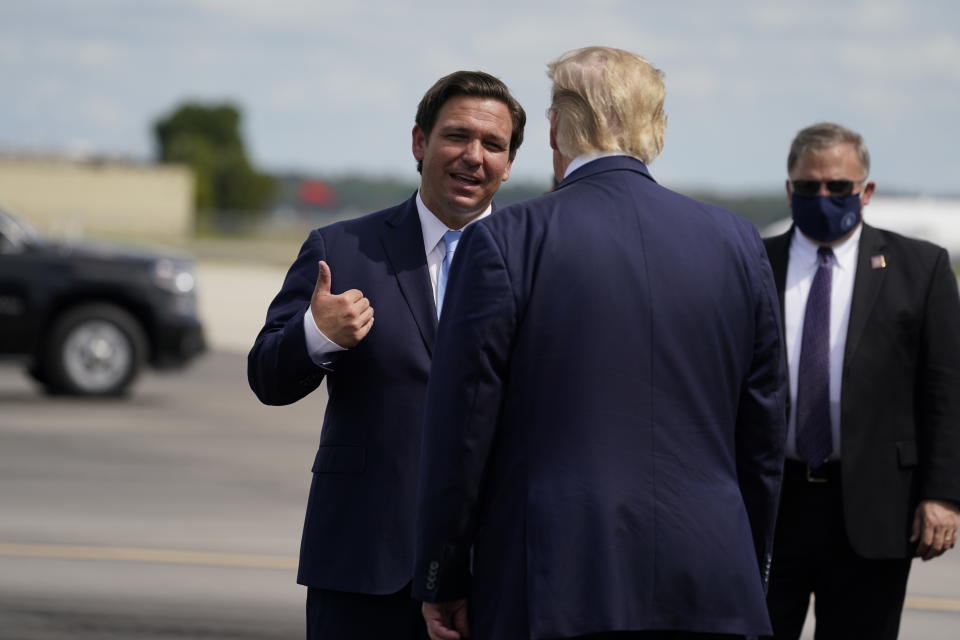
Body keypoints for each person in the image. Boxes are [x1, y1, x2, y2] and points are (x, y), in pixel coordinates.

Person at [411, 46, 787, 640]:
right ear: (655, 127)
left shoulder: (506, 240)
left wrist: (443, 575)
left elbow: (462, 431)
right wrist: (746, 562)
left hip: (556, 581)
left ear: (558, 125)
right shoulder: (738, 242)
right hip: (714, 577)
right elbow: (763, 435)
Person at [247, 71, 526, 639]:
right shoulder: (342, 248)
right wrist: (316, 334)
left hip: (495, 573)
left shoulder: (537, 260)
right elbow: (267, 377)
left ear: (510, 162)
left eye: (493, 145)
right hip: (364, 567)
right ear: (420, 143)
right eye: (456, 136)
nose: (474, 156)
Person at [762, 122, 960, 639]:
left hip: (873, 508)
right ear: (789, 189)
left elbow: (946, 389)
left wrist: (943, 495)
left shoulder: (921, 268)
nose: (822, 197)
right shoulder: (756, 264)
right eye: (809, 187)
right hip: (772, 506)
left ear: (865, 191)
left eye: (838, 187)